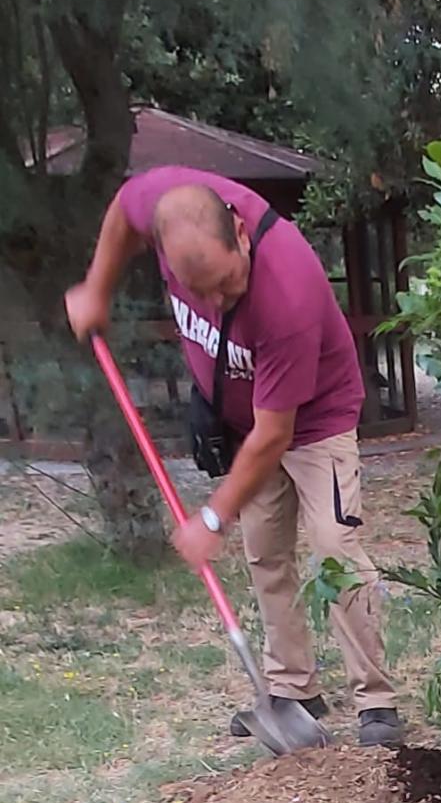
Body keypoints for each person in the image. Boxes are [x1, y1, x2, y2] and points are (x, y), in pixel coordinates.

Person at [65, 166, 403, 748]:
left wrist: (212, 517)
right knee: (265, 554)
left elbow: (278, 433)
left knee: (334, 548)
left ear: (242, 233)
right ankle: (292, 690)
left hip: (313, 420)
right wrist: (97, 286)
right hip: (246, 419)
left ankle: (376, 701)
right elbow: (124, 208)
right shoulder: (165, 204)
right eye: (202, 293)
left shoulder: (286, 290)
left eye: (227, 283)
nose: (219, 302)